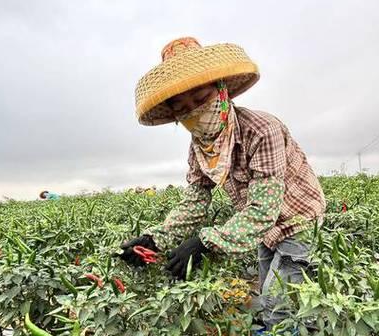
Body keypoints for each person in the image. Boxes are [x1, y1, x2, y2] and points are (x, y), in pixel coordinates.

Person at [118, 37, 325, 331]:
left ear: (221, 90)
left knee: (282, 307)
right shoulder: (200, 147)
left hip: (298, 220)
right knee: (272, 296)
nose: (194, 111)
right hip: (263, 232)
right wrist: (155, 239)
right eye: (182, 107)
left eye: (200, 98)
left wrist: (206, 241)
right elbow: (194, 201)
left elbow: (264, 210)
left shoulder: (261, 130)